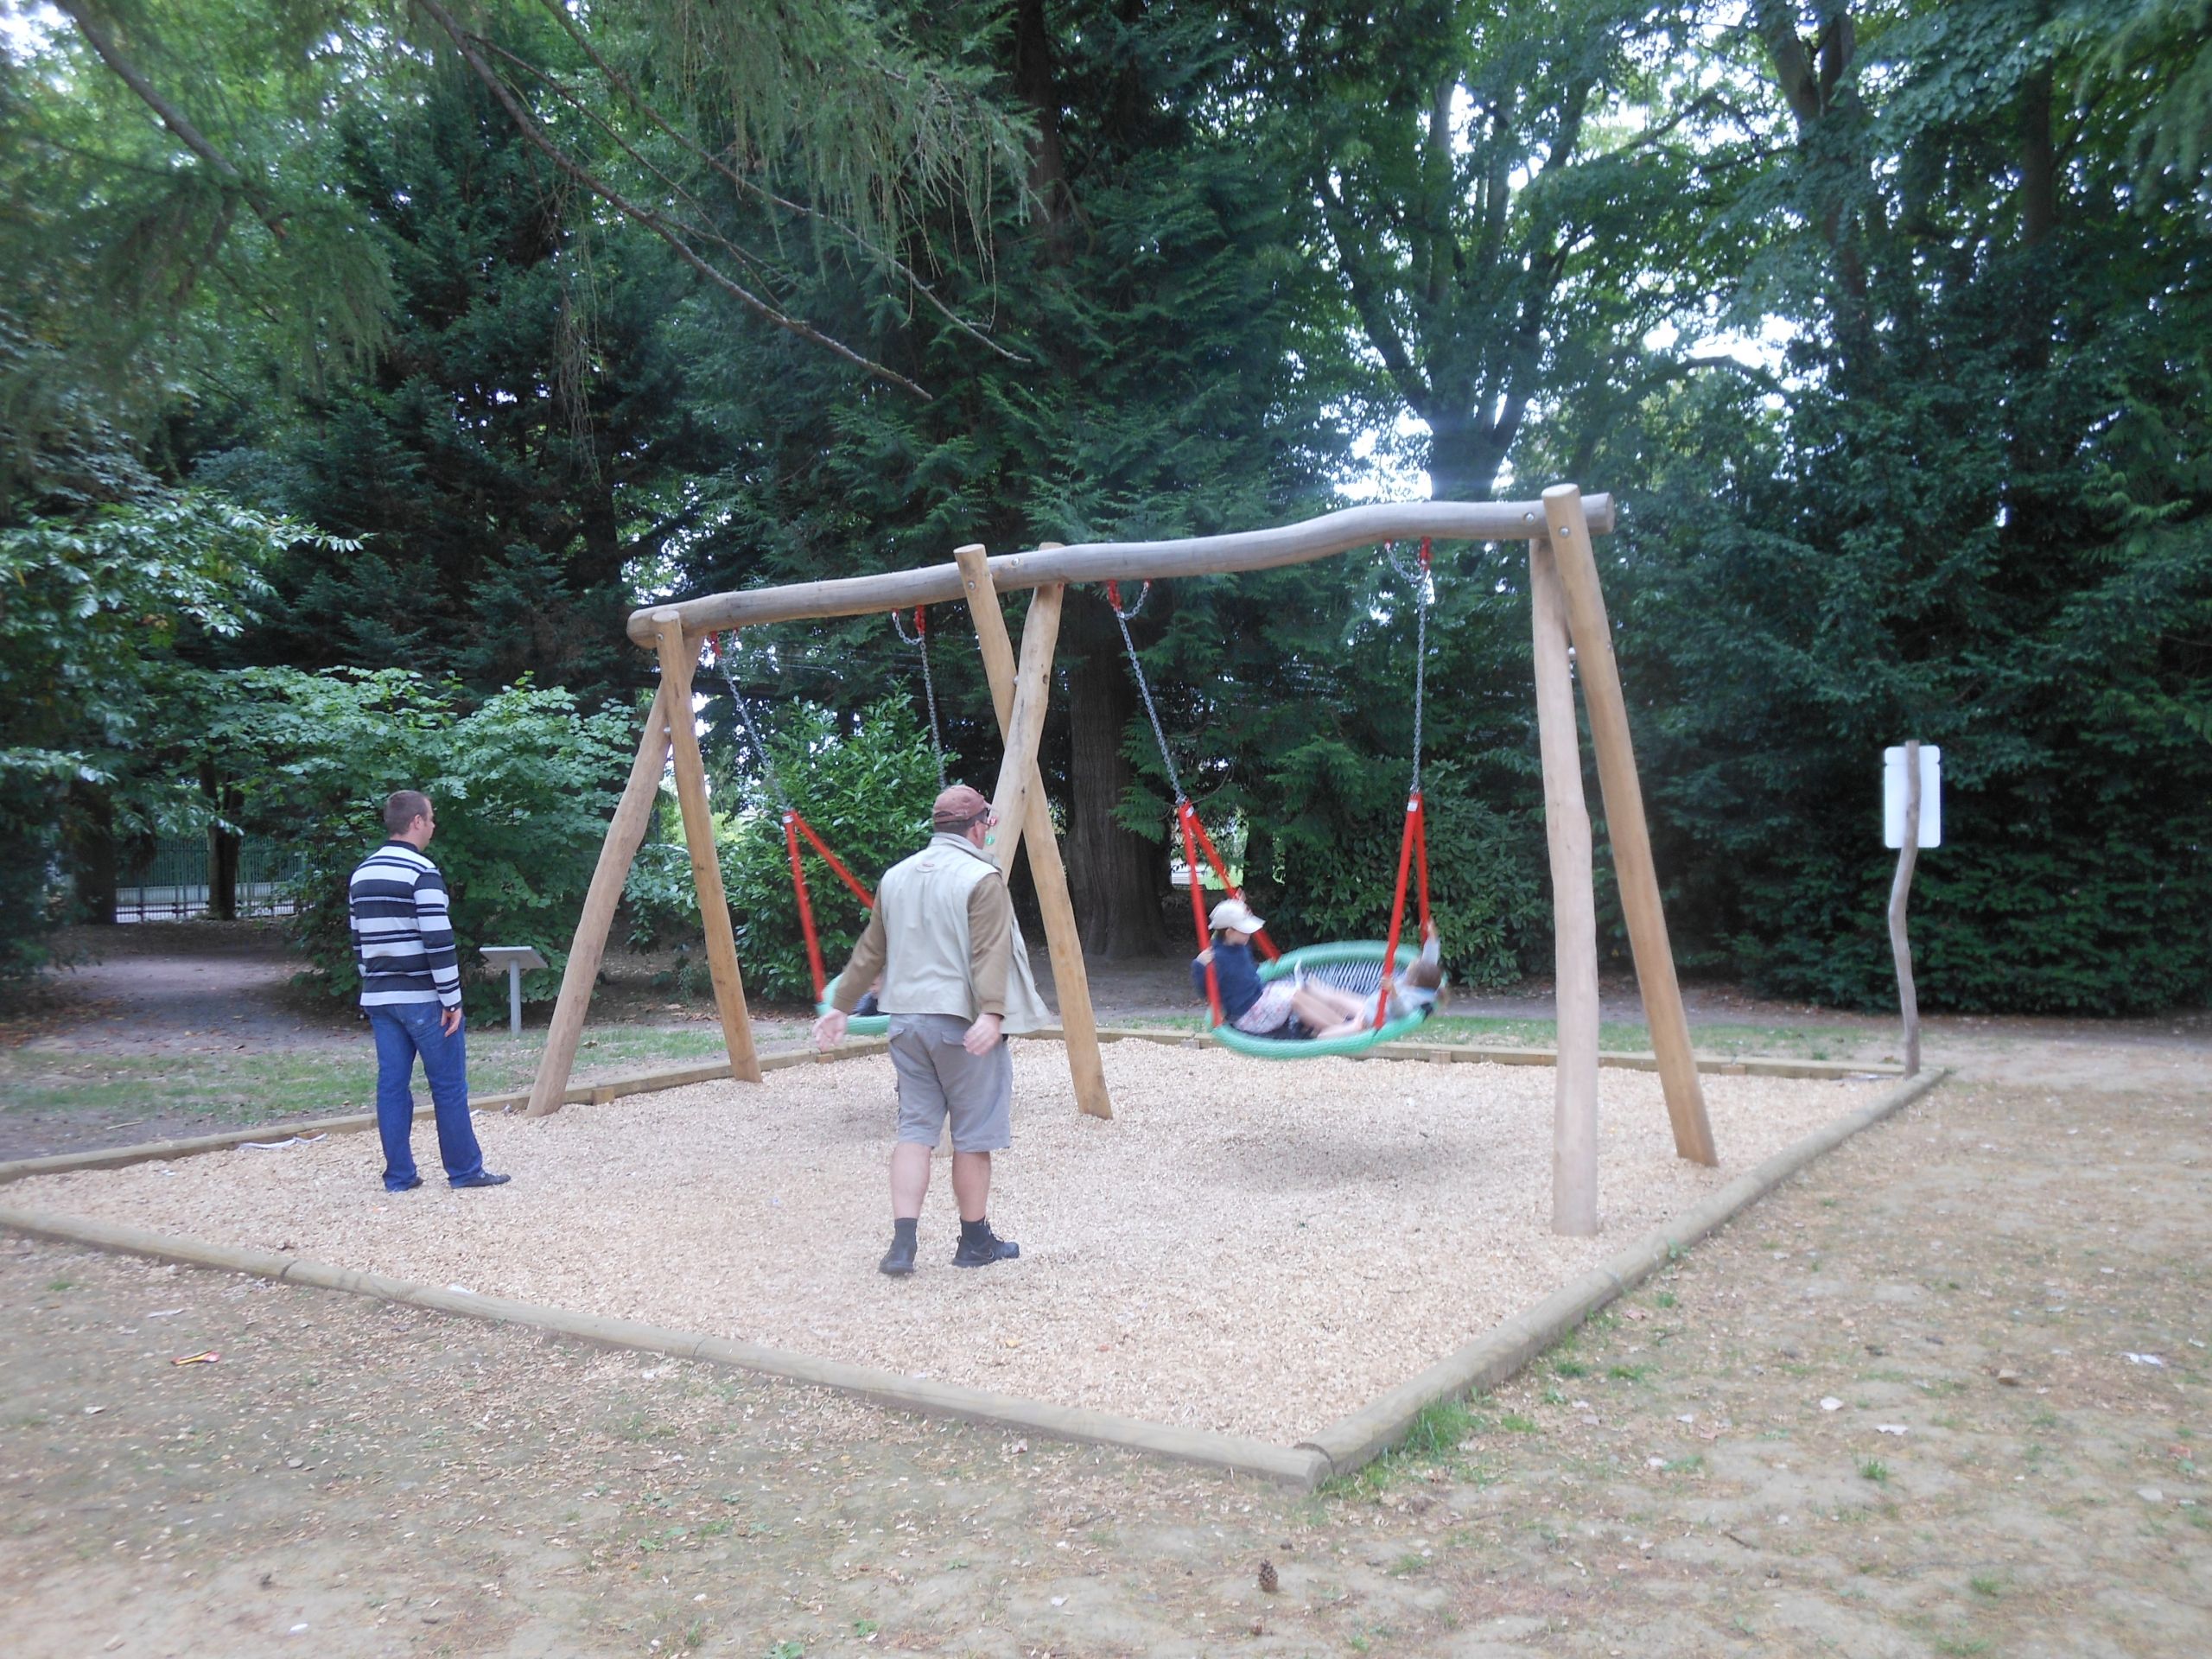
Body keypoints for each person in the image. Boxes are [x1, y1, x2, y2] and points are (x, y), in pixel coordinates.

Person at [812, 783, 1049, 1275]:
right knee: (972, 1137)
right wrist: (992, 1013)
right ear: (977, 826)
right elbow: (990, 952)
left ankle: (902, 1245)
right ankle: (974, 1243)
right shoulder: (981, 878)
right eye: (988, 821)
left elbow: (870, 951)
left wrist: (839, 1005)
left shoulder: (896, 877)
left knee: (915, 1131)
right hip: (959, 1025)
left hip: (905, 1024)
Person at [348, 791, 510, 1193]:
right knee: (449, 1086)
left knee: (391, 1086)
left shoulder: (362, 874)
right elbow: (438, 941)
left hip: (381, 997)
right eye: (432, 818)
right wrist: (452, 998)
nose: (434, 824)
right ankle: (464, 1170)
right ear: (417, 822)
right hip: (424, 998)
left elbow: (358, 941)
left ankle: (399, 1177)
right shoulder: (421, 872)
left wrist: (372, 985)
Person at [1195, 903, 1443, 1040]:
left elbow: (1428, 967)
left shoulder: (1237, 944)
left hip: (1259, 997)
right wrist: (1199, 966)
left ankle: (1336, 1024)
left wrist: (1432, 940)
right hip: (1248, 1015)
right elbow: (1205, 990)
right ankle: (1336, 1028)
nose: (1250, 934)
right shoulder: (1215, 959)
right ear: (1229, 933)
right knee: (1296, 996)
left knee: (1300, 991)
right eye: (1244, 929)